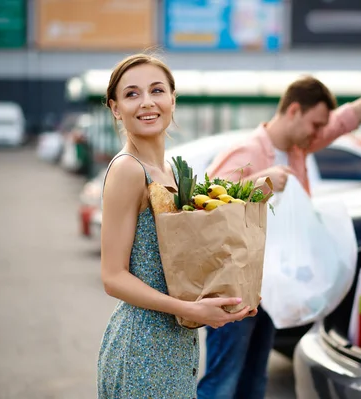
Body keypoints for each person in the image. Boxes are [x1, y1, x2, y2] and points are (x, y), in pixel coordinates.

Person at [197, 54, 361, 399]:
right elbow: (204, 208)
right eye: (316, 124)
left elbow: (350, 118)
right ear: (294, 111)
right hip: (234, 287)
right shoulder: (247, 152)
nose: (321, 133)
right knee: (222, 381)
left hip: (270, 288)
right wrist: (261, 180)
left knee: (254, 380)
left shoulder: (297, 148)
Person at [96, 53, 257, 399]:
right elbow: (113, 276)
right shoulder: (128, 170)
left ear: (172, 99)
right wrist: (191, 310)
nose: (147, 102)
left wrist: (226, 295)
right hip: (143, 346)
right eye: (132, 94)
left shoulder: (168, 169)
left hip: (177, 341)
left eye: (157, 90)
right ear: (115, 108)